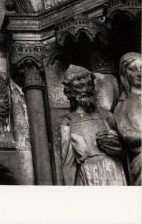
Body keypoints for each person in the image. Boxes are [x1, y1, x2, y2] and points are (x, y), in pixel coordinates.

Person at [60, 65, 127, 185]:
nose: (86, 89)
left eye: (89, 85)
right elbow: (68, 165)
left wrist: (118, 149)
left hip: (114, 170)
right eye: (79, 86)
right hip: (89, 175)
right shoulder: (69, 121)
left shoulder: (106, 115)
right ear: (69, 91)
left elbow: (125, 151)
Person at [114, 52, 142, 185]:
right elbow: (125, 133)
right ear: (125, 74)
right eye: (133, 69)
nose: (139, 73)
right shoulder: (123, 103)